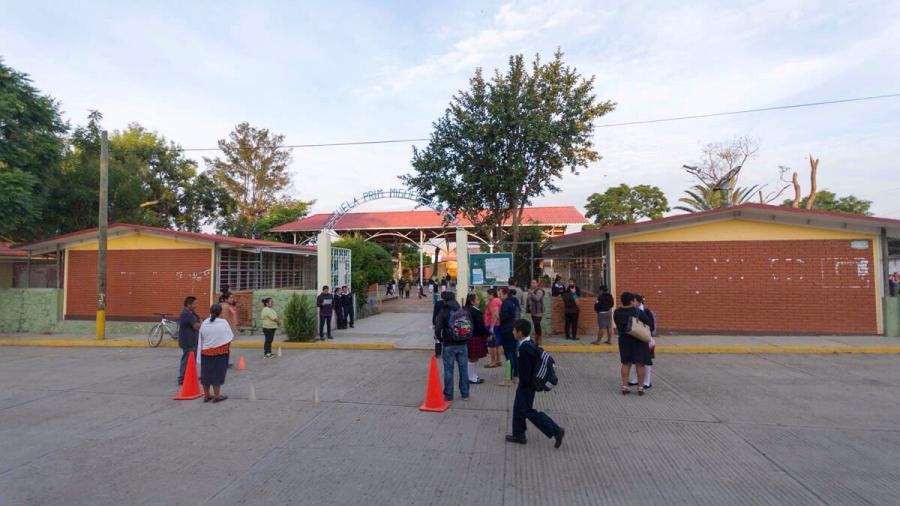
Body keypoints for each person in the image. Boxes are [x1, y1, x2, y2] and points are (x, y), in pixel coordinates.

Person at [505, 319, 565, 448]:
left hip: (526, 386)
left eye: (514, 330)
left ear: (520, 333)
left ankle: (556, 430)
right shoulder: (528, 343)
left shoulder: (525, 349)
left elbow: (526, 371)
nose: (513, 332)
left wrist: (523, 384)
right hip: (527, 385)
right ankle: (518, 434)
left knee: (527, 411)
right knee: (518, 409)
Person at [614, 291, 653, 395]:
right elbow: (649, 324)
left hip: (624, 340)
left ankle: (625, 386)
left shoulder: (616, 312)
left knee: (626, 363)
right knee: (640, 364)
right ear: (631, 301)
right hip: (638, 340)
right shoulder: (638, 312)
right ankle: (640, 388)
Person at [433, 291, 469, 401]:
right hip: (463, 343)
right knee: (464, 369)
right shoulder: (462, 310)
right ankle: (465, 394)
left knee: (449, 370)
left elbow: (438, 329)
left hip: (449, 344)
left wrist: (441, 339)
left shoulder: (443, 311)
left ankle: (448, 395)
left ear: (444, 300)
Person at [199, 303, 234, 403]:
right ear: (221, 312)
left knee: (206, 374)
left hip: (206, 352)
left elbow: (201, 337)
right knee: (217, 374)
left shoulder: (205, 322)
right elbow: (229, 337)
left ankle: (207, 396)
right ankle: (217, 396)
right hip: (220, 353)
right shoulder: (223, 323)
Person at [629, 294, 657, 389]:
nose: (632, 303)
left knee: (646, 360)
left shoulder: (647, 312)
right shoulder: (632, 311)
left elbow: (652, 326)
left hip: (646, 339)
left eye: (633, 301)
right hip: (634, 339)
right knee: (634, 360)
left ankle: (647, 382)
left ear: (639, 302)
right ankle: (635, 379)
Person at [464, 293, 488, 384]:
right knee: (473, 357)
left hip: (467, 336)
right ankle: (472, 377)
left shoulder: (464, 309)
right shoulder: (476, 311)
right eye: (477, 299)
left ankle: (473, 376)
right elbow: (480, 326)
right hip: (475, 336)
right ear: (472, 301)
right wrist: (487, 333)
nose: (479, 301)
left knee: (472, 357)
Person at [498, 287, 520, 386]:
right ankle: (516, 376)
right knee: (514, 353)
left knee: (508, 355)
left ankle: (508, 379)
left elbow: (503, 317)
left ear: (505, 293)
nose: (499, 296)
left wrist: (497, 316)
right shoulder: (515, 301)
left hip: (507, 330)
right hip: (515, 330)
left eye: (500, 294)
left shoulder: (505, 304)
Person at [177, 296, 201, 385]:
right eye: (195, 303)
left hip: (193, 340)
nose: (196, 305)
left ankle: (191, 375)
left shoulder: (192, 313)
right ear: (188, 304)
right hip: (187, 341)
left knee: (192, 360)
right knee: (186, 359)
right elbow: (196, 326)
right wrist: (200, 323)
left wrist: (199, 322)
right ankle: (182, 378)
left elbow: (199, 320)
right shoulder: (185, 314)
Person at [484, 288, 503, 368]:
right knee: (497, 344)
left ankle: (493, 362)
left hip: (493, 326)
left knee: (492, 344)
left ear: (491, 294)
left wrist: (491, 327)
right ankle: (498, 360)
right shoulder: (498, 300)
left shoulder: (494, 302)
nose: (487, 296)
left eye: (488, 294)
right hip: (497, 325)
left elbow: (495, 314)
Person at [526, 280, 546, 346]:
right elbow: (529, 299)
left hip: (538, 311)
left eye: (534, 283)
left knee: (537, 325)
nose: (532, 284)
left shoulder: (539, 291)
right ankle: (536, 340)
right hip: (533, 311)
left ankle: (539, 340)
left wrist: (531, 293)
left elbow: (537, 299)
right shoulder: (531, 291)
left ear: (537, 284)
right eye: (531, 283)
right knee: (535, 325)